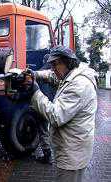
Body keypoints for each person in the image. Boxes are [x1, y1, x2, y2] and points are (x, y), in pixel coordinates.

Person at [30, 46, 97, 182]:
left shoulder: (79, 85)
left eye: (55, 64)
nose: (53, 68)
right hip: (73, 148)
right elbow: (52, 76)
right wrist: (34, 74)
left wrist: (35, 92)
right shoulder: (73, 74)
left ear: (67, 62)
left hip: (72, 154)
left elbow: (55, 116)